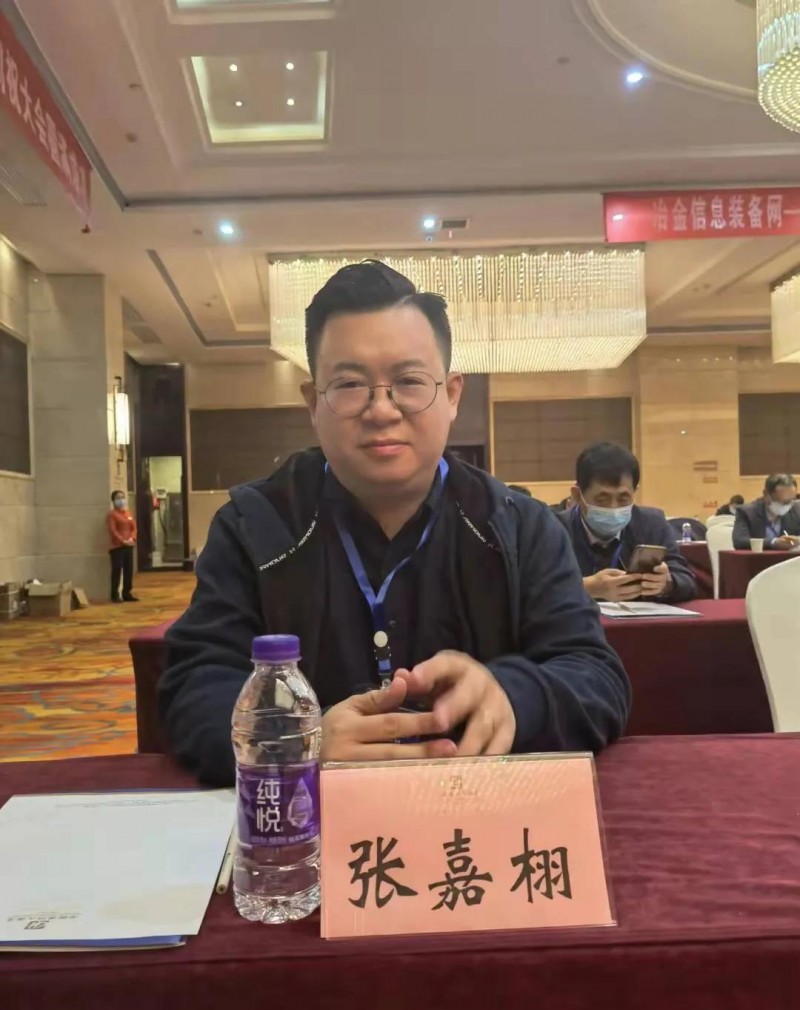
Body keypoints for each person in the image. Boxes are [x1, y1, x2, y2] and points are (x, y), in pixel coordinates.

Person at [158, 260, 630, 786]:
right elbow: (194, 684)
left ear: (452, 395)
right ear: (313, 403)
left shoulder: (519, 526)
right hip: (313, 817)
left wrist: (512, 697)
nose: (381, 410)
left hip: (478, 810)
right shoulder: (254, 526)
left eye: (408, 382)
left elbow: (595, 675)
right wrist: (295, 740)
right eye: (349, 384)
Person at [557, 442, 696, 604]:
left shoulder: (652, 524)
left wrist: (667, 583)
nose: (613, 508)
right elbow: (536, 589)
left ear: (635, 492)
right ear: (577, 495)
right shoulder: (555, 529)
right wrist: (584, 588)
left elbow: (687, 580)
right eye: (602, 499)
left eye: (623, 498)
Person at [733, 475, 800, 550]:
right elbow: (739, 541)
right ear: (765, 494)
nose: (786, 505)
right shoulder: (747, 512)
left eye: (790, 501)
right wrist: (774, 542)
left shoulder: (796, 510)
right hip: (759, 556)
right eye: (781, 501)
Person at [108, 490, 138, 603]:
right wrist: (122, 541)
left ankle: (127, 593)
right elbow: (113, 530)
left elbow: (133, 528)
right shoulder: (112, 515)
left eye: (122, 497)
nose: (121, 500)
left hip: (129, 545)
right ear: (113, 501)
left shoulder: (128, 513)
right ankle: (114, 594)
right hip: (117, 547)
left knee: (128, 570)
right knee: (117, 570)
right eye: (118, 498)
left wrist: (132, 538)